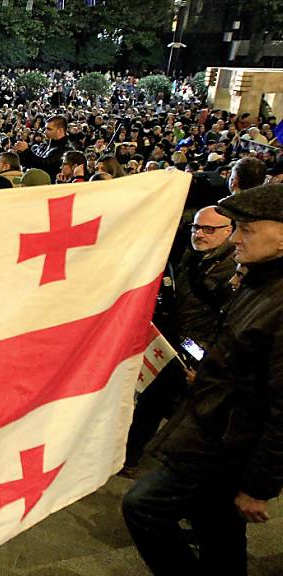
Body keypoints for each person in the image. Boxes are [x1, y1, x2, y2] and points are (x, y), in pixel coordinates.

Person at [123, 184, 283, 576]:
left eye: (246, 229)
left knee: (144, 506)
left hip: (227, 443)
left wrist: (259, 484)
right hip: (217, 429)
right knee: (217, 528)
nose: (236, 237)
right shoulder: (259, 281)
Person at [122, 206, 237, 477]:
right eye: (196, 227)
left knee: (173, 405)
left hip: (194, 350)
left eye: (209, 229)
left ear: (229, 231)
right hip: (171, 339)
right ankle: (133, 456)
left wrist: (205, 360)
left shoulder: (232, 270)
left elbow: (228, 322)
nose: (200, 234)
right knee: (153, 400)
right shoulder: (192, 255)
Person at [14, 115, 74, 182]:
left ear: (60, 130)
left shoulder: (67, 150)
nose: (45, 132)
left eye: (49, 129)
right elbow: (31, 163)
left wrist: (26, 151)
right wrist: (21, 153)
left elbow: (45, 166)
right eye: (45, 128)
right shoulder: (45, 145)